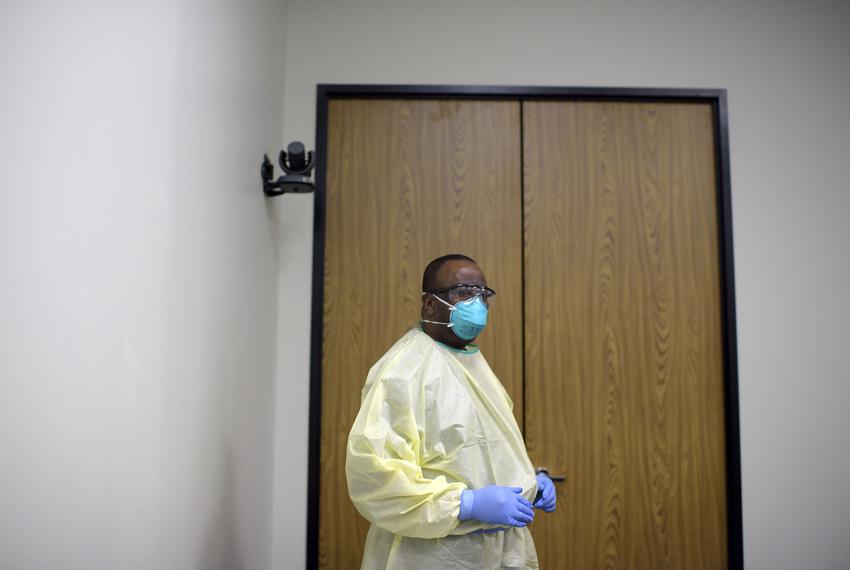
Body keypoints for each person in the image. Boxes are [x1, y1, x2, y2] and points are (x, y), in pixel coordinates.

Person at [346, 254, 556, 569]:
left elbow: (482, 450)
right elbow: (375, 476)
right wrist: (466, 504)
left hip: (495, 552)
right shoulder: (404, 371)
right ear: (429, 304)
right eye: (463, 293)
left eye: (483, 294)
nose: (478, 303)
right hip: (430, 555)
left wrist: (529, 482)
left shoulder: (471, 362)